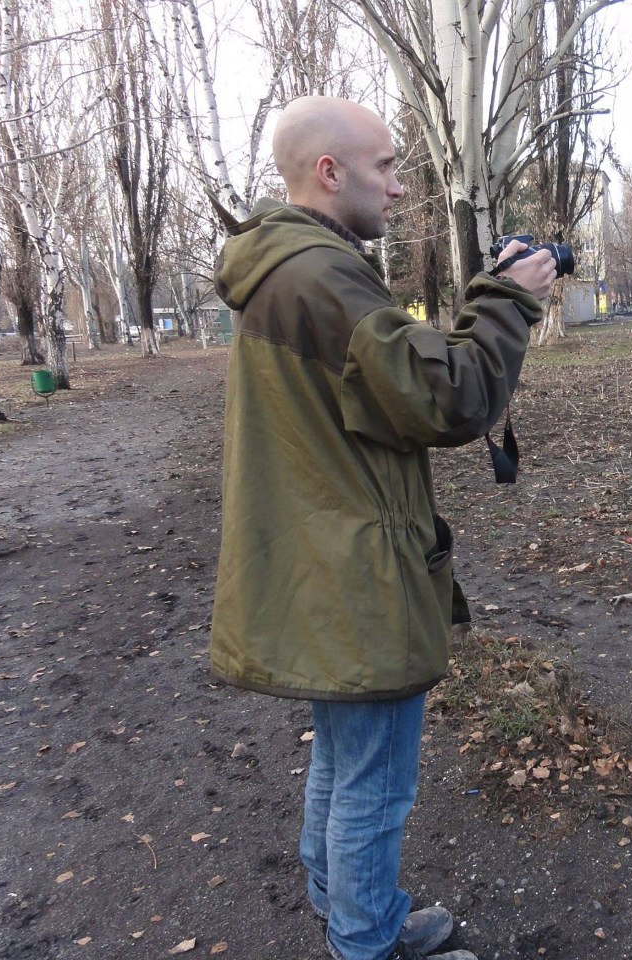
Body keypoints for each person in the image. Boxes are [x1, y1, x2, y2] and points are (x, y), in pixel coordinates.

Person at [209, 96, 557, 960]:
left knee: (341, 761)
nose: (400, 189)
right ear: (330, 172)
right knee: (373, 781)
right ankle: (365, 943)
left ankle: (354, 914)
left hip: (316, 556)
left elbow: (391, 385)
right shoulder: (323, 275)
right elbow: (450, 399)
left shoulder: (286, 265)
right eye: (387, 168)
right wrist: (510, 301)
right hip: (354, 566)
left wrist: (485, 304)